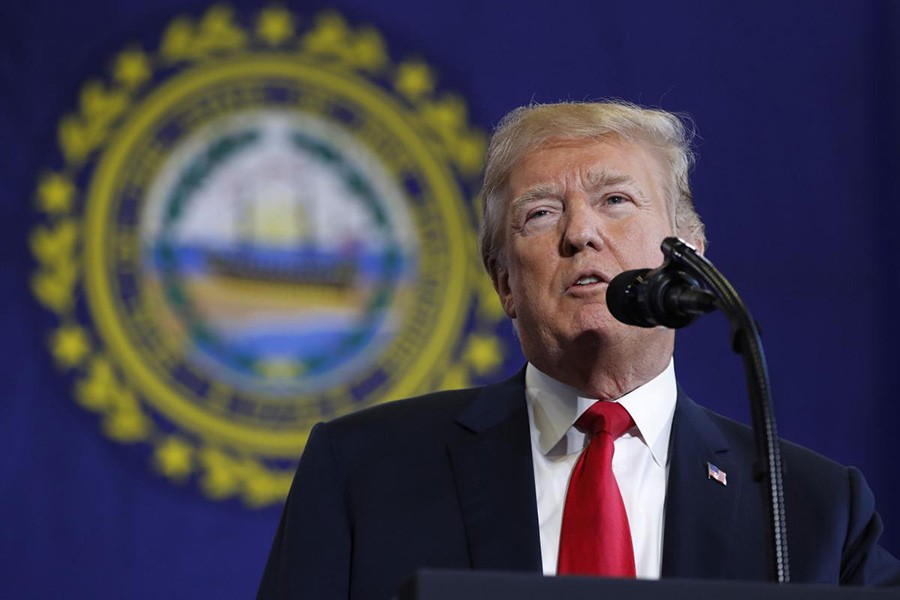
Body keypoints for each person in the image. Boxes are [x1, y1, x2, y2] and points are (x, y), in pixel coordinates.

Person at [257, 101, 900, 599]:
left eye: (616, 200)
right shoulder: (362, 472)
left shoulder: (818, 507)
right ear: (505, 283)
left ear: (691, 257)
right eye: (539, 214)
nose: (581, 233)